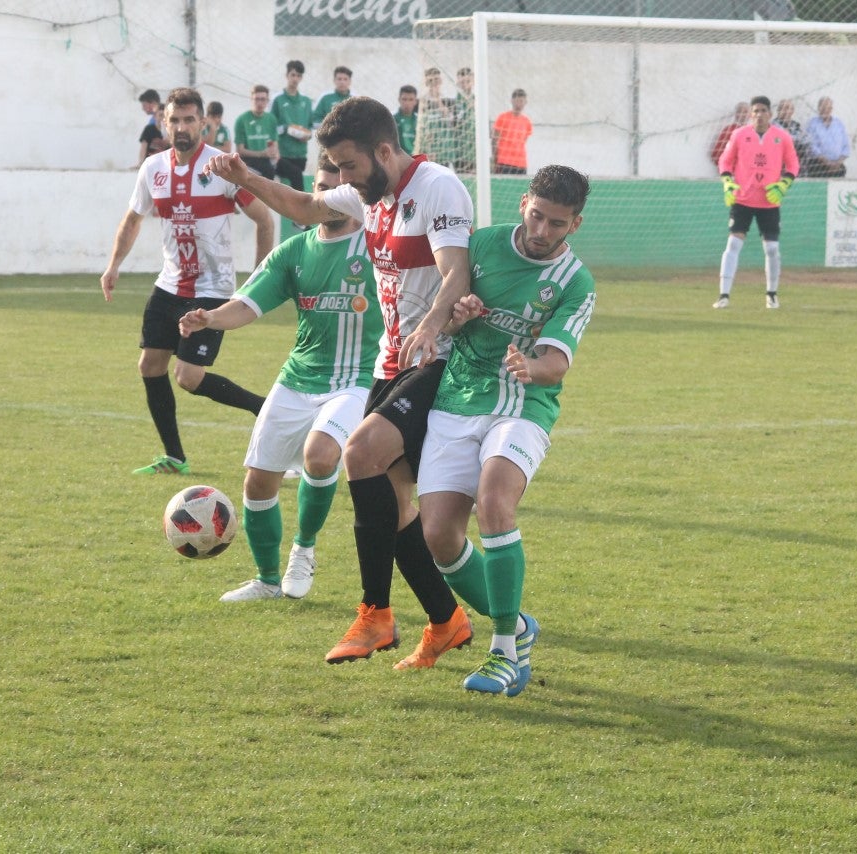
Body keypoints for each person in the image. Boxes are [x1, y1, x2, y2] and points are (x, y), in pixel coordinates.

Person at [205, 96, 476, 670]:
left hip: (438, 358)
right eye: (337, 167)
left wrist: (429, 324)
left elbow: (458, 270)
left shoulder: (438, 187)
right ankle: (446, 620)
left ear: (384, 150)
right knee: (401, 510)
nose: (343, 179)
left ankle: (375, 615)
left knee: (358, 452)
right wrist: (245, 176)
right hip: (389, 364)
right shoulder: (367, 193)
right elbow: (304, 206)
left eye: (349, 166)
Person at [420, 164, 596, 696]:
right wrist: (460, 315)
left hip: (523, 404)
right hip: (457, 396)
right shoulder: (481, 246)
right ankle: (519, 623)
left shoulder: (575, 283)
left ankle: (504, 652)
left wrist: (530, 367)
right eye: (537, 216)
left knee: (494, 500)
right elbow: (445, 318)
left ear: (576, 225)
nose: (543, 231)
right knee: (439, 536)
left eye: (557, 224)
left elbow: (556, 363)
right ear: (524, 202)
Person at [178, 155, 381, 602]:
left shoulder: (375, 248)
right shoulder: (294, 251)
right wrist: (208, 317)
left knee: (322, 455)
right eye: (320, 189)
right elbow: (248, 305)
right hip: (298, 377)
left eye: (335, 190)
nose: (326, 199)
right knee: (258, 480)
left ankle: (303, 551)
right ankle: (267, 580)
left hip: (357, 379)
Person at [100, 87, 275, 476]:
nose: (182, 127)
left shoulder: (223, 167)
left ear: (204, 124)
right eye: (175, 120)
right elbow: (132, 221)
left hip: (212, 289)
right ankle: (175, 457)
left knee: (189, 377)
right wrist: (113, 266)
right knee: (150, 365)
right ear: (165, 123)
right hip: (169, 285)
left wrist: (260, 277)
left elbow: (265, 219)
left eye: (189, 119)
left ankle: (263, 407)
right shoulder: (153, 169)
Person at [713, 95, 799, 311]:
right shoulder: (739, 135)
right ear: (750, 114)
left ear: (770, 113)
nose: (759, 114)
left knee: (772, 248)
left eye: (763, 110)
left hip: (769, 202)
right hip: (743, 198)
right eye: (755, 111)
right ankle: (724, 295)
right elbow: (725, 159)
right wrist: (727, 182)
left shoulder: (783, 137)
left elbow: (793, 164)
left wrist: (783, 185)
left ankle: (771, 295)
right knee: (733, 244)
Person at [271, 60, 312, 192]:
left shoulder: (306, 101)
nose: (295, 78)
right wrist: (286, 129)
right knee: (296, 179)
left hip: (300, 154)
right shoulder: (278, 100)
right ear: (287, 75)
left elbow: (310, 127)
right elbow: (271, 126)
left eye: (298, 76)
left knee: (292, 187)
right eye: (293, 75)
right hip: (282, 154)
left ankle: (296, 210)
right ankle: (303, 209)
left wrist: (307, 135)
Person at [235, 85, 280, 181]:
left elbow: (274, 144)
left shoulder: (271, 119)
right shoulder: (242, 120)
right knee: (269, 170)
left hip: (266, 158)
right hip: (249, 159)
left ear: (267, 101)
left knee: (295, 171)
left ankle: (298, 196)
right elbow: (240, 151)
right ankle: (266, 196)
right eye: (257, 99)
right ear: (251, 99)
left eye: (263, 99)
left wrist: (275, 155)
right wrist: (261, 154)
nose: (259, 103)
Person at [413, 68, 455, 165]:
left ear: (440, 81)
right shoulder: (421, 102)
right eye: (431, 81)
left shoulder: (448, 99)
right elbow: (419, 125)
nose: (434, 83)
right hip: (428, 147)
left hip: (443, 148)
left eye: (436, 79)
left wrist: (438, 100)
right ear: (426, 83)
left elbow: (451, 120)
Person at [804, 96, 850, 178]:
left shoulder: (838, 124)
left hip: (837, 166)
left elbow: (846, 146)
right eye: (822, 107)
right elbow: (812, 146)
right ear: (818, 108)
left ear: (831, 109)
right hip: (817, 166)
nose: (825, 110)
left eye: (827, 107)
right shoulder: (812, 124)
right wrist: (827, 163)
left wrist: (838, 163)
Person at [492, 89, 533, 175]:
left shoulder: (527, 122)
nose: (520, 103)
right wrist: (494, 160)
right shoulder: (502, 117)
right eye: (518, 100)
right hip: (504, 162)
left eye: (522, 101)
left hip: (521, 163)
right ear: (512, 101)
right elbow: (494, 140)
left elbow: (523, 141)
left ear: (526, 102)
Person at [773, 99, 811, 177]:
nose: (784, 110)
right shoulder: (773, 125)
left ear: (792, 111)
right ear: (778, 111)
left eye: (787, 108)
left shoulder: (796, 125)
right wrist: (792, 138)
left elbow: (807, 139)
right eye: (782, 108)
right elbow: (777, 140)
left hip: (797, 151)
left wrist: (789, 137)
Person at [709, 102, 749, 169]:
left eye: (745, 112)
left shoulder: (754, 131)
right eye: (740, 112)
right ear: (736, 114)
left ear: (750, 114)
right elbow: (715, 154)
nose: (743, 115)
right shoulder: (729, 130)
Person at [137, 88, 171, 167]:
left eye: (144, 105)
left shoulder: (168, 127)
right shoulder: (150, 127)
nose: (143, 108)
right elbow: (144, 145)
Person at [453, 67, 477, 173]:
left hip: (475, 150)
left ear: (473, 81)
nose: (465, 84)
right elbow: (455, 122)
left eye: (468, 81)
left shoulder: (478, 100)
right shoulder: (455, 102)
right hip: (460, 151)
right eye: (462, 82)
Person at [394, 84, 418, 154]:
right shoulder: (392, 119)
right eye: (404, 99)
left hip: (416, 159)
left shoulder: (419, 121)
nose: (407, 103)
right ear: (399, 100)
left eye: (411, 99)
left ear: (415, 101)